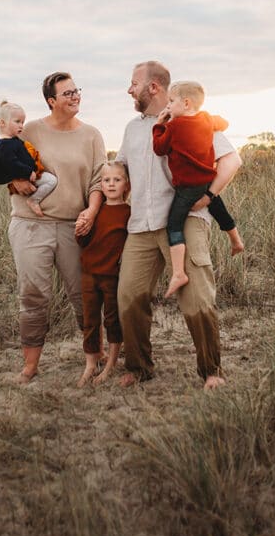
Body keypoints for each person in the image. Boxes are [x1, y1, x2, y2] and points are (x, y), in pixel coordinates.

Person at [116, 61, 242, 390]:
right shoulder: (132, 128)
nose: (129, 90)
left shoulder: (193, 119)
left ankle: (211, 371)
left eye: (133, 83)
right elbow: (121, 167)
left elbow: (231, 160)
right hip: (141, 225)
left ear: (153, 87)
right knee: (129, 295)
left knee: (198, 299)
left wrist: (210, 195)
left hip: (184, 220)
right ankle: (139, 367)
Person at [7, 73, 106, 384]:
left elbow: (99, 179)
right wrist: (15, 180)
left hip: (73, 227)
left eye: (76, 90)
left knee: (84, 295)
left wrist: (91, 210)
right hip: (30, 225)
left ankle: (97, 357)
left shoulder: (91, 135)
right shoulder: (31, 130)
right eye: (67, 93)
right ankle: (30, 367)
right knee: (34, 296)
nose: (75, 96)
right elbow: (2, 159)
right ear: (51, 101)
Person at [153, 80, 244, 297]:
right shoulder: (205, 119)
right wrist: (215, 122)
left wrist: (159, 124)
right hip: (206, 182)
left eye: (171, 102)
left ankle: (178, 273)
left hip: (187, 187)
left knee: (174, 226)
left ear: (185, 103)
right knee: (217, 207)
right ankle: (236, 240)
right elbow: (223, 122)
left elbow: (159, 148)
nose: (168, 107)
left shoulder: (173, 127)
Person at [75, 161, 130, 387]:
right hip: (89, 273)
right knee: (90, 320)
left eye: (117, 180)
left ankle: (111, 364)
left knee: (112, 319)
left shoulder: (128, 213)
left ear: (126, 184)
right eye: (106, 180)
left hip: (112, 276)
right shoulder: (95, 210)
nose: (111, 184)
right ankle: (90, 364)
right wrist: (79, 229)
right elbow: (84, 240)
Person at [0, 100, 58, 217]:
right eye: (17, 122)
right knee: (51, 181)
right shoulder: (4, 146)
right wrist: (28, 173)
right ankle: (34, 200)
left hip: (28, 173)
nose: (21, 125)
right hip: (26, 175)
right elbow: (12, 164)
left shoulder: (9, 139)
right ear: (2, 123)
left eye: (22, 122)